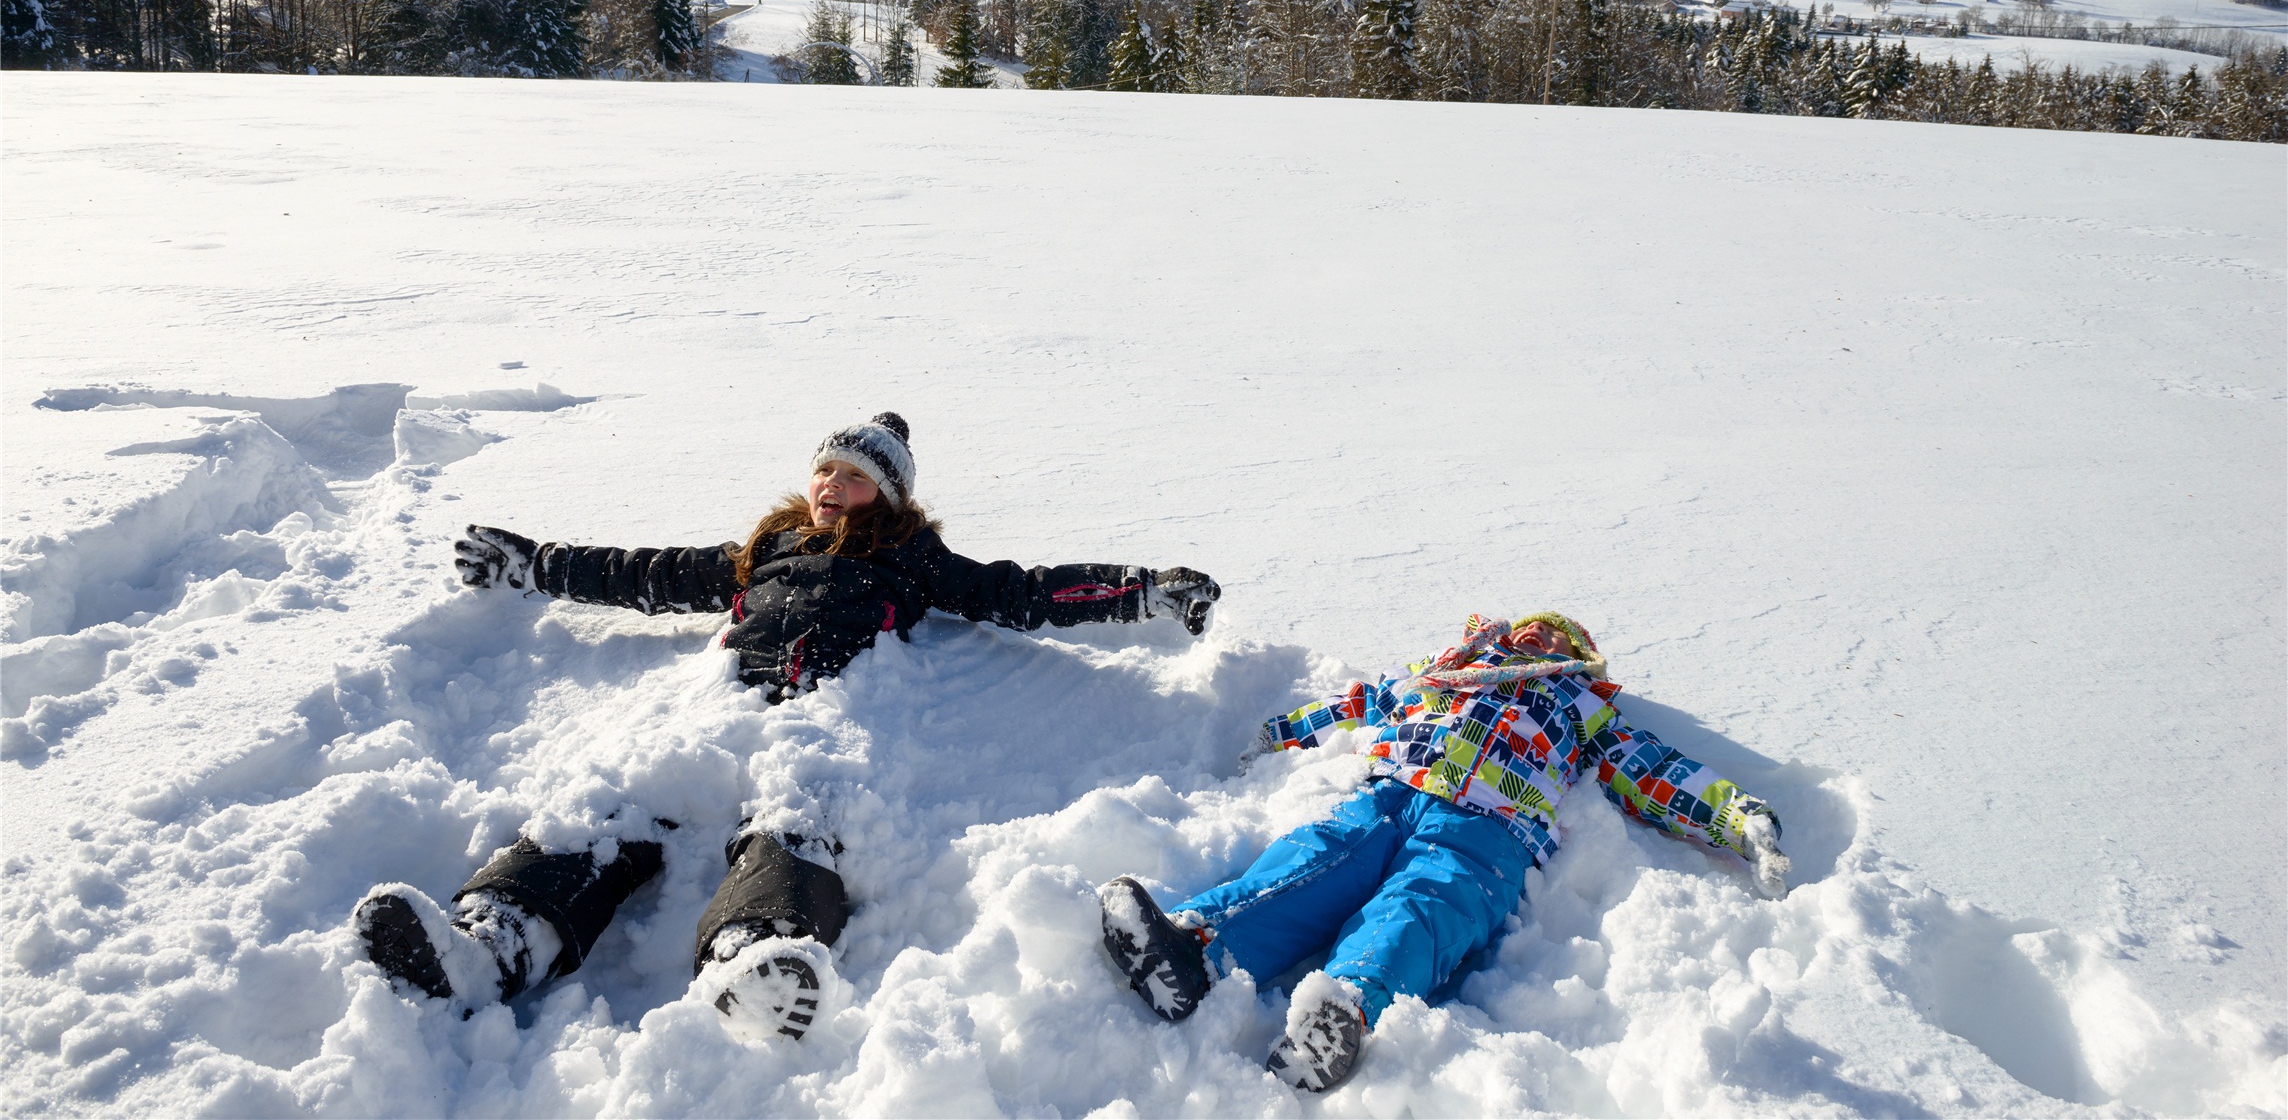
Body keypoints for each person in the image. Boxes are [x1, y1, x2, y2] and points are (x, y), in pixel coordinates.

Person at [353, 412, 1220, 1038]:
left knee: (797, 818)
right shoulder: (761, 551)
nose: (831, 487)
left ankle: (753, 954)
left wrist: (1140, 590)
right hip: (716, 706)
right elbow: (640, 571)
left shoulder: (911, 560)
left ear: (886, 495)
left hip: (823, 717)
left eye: (853, 476)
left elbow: (1022, 591)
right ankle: (493, 942)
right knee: (611, 803)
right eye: (825, 471)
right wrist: (532, 562)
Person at [1097, 612, 1789, 1091]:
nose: (1534, 633)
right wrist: (1282, 730)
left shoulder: (1577, 703)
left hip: (1490, 829)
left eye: (1556, 631)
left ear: (1578, 654)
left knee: (1425, 904)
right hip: (1395, 792)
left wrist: (1739, 817)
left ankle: (1342, 1013)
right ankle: (1192, 949)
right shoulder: (1450, 667)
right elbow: (1363, 702)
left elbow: (1652, 769)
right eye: (1527, 625)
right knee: (1313, 858)